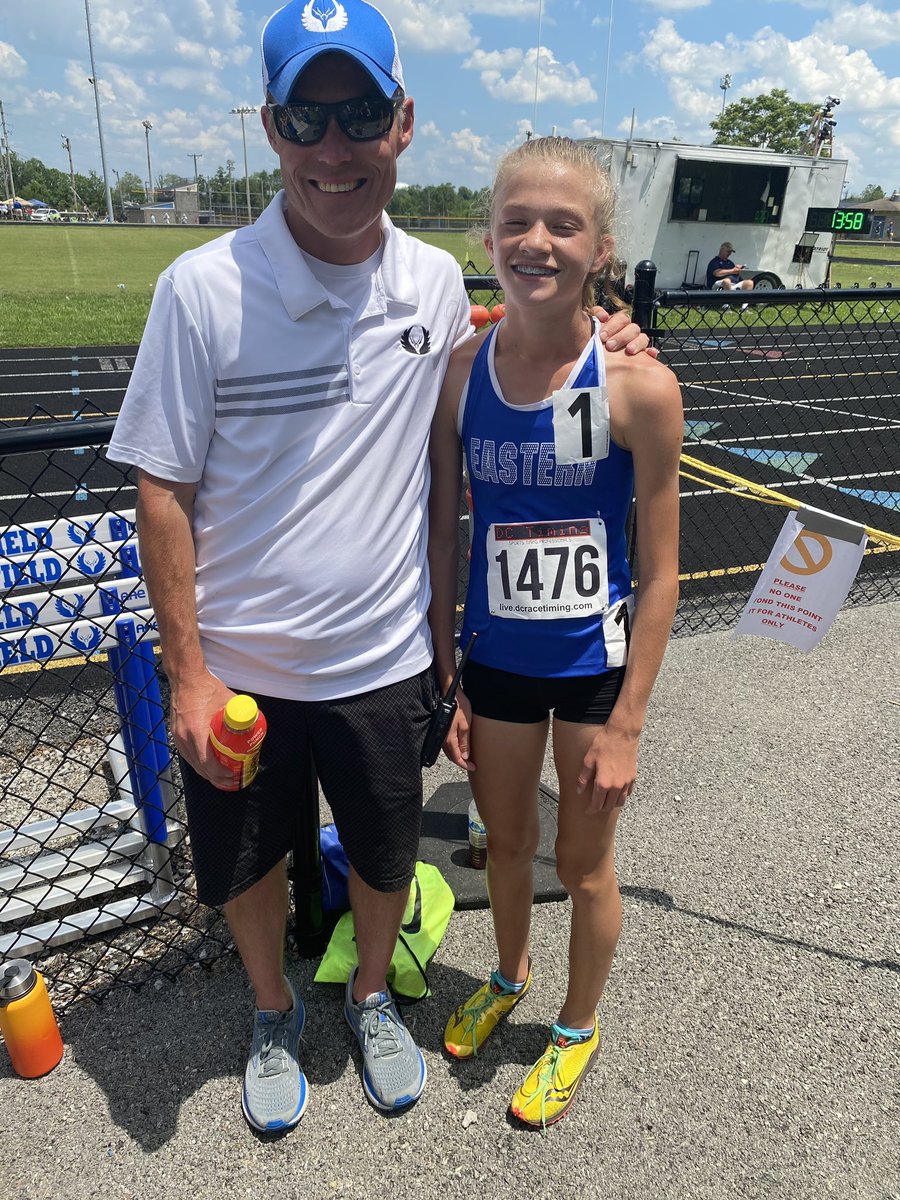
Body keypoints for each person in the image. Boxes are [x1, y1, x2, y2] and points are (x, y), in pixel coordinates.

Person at [107, 0, 651, 1134]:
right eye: (309, 115)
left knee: (388, 855)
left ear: (401, 122)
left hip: (385, 660)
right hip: (246, 668)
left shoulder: (433, 287)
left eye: (359, 112)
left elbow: (530, 346)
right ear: (273, 128)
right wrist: (190, 676)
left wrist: (613, 335)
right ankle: (270, 1012)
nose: (334, 147)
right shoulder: (200, 289)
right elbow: (161, 491)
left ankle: (366, 998)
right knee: (251, 865)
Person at [428, 136, 683, 1128]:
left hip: (589, 670)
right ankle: (508, 973)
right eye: (518, 222)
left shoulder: (638, 387)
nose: (537, 241)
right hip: (495, 663)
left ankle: (577, 1027)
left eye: (562, 224)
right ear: (488, 237)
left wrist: (627, 724)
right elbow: (453, 532)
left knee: (581, 868)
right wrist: (451, 669)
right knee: (502, 848)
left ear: (601, 248)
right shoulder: (460, 375)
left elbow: (660, 572)